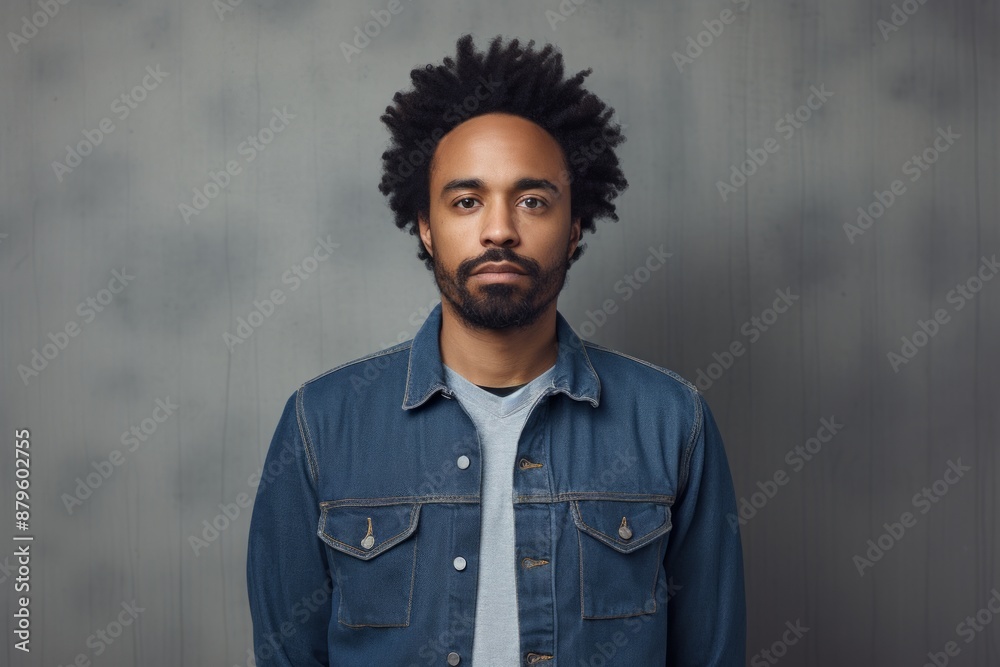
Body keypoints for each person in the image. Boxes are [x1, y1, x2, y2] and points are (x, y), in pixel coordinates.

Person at [247, 33, 746, 666]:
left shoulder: (673, 422)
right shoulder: (320, 424)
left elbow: (712, 653)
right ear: (426, 227)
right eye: (466, 200)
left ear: (575, 230)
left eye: (533, 200)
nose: (500, 229)